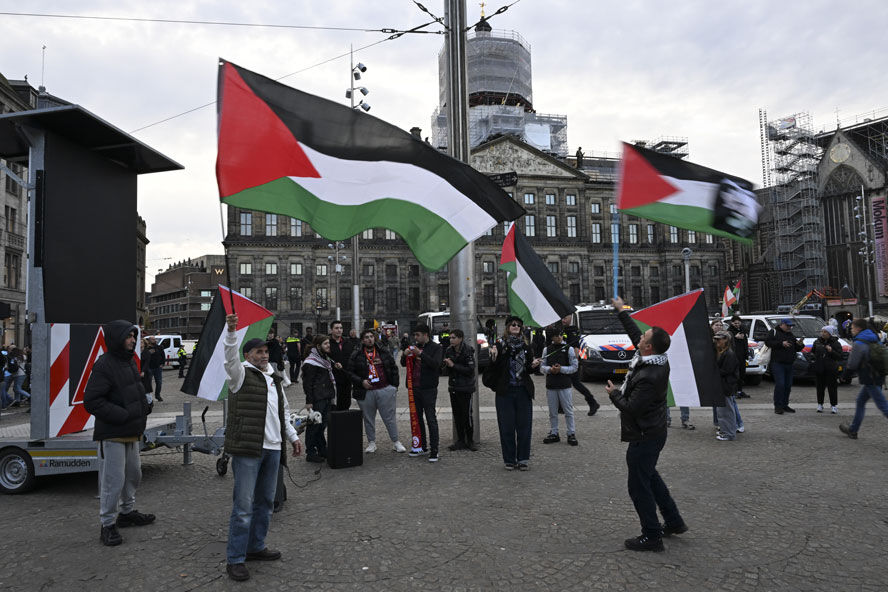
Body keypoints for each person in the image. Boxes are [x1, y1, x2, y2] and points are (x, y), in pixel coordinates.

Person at [222, 314, 302, 582]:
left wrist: (292, 437)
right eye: (259, 351)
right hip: (248, 447)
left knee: (266, 502)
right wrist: (232, 333)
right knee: (243, 506)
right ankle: (235, 559)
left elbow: (283, 411)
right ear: (248, 354)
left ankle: (255, 546)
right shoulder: (240, 374)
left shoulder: (275, 379)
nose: (265, 355)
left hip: (273, 447)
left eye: (266, 351)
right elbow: (230, 359)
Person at [605, 297, 686, 552]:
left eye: (643, 338)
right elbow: (634, 335)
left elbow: (632, 408)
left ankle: (652, 535)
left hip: (645, 435)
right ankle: (673, 520)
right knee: (650, 476)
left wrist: (614, 394)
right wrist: (621, 312)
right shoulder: (655, 358)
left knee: (638, 486)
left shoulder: (650, 375)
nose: (639, 339)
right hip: (653, 430)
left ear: (649, 347)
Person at [83, 321, 155, 547]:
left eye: (134, 336)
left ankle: (126, 513)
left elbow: (135, 390)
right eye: (129, 336)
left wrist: (144, 407)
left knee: (133, 475)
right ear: (116, 339)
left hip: (132, 432)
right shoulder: (104, 365)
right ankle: (107, 524)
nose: (133, 340)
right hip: (113, 434)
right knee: (113, 481)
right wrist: (122, 415)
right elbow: (92, 401)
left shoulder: (129, 362)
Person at [484, 315, 540, 470]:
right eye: (513, 324)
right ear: (508, 327)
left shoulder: (526, 347)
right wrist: (494, 358)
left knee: (524, 427)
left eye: (518, 325)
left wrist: (533, 365)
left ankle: (522, 459)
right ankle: (509, 459)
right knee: (506, 427)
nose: (516, 326)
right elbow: (492, 370)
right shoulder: (499, 345)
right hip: (505, 392)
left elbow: (528, 368)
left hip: (523, 391)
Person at [347, 329, 407, 454]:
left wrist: (394, 386)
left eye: (371, 336)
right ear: (363, 340)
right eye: (366, 337)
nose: (369, 339)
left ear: (374, 338)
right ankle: (372, 442)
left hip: (384, 388)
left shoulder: (383, 351)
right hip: (366, 391)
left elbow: (393, 368)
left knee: (389, 417)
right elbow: (350, 372)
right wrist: (361, 381)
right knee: (368, 418)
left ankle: (396, 442)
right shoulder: (356, 354)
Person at [400, 323, 443, 462]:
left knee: (431, 419)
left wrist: (421, 354)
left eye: (418, 335)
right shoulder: (414, 347)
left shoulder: (436, 348)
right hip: (414, 388)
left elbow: (436, 365)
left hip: (428, 388)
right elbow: (402, 363)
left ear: (426, 335)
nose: (416, 338)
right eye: (415, 335)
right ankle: (421, 446)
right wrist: (404, 354)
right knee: (417, 419)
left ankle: (434, 450)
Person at [839, 318, 888, 439]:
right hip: (878, 375)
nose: (851, 330)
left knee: (883, 406)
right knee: (860, 401)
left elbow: (852, 364)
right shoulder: (874, 337)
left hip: (869, 377)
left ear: (858, 328)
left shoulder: (859, 343)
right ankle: (853, 429)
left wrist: (844, 376)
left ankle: (853, 429)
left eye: (852, 328)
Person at [554, 315, 601, 416]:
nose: (563, 320)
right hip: (563, 362)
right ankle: (561, 406)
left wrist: (572, 363)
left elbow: (576, 351)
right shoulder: (563, 330)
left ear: (571, 318)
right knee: (563, 384)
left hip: (570, 363)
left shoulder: (573, 331)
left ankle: (592, 402)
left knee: (576, 384)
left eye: (565, 318)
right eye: (562, 318)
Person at [302, 335, 336, 463]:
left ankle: (322, 449)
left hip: (326, 396)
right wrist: (309, 401)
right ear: (318, 346)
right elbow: (307, 384)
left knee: (322, 425)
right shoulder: (311, 362)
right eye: (326, 343)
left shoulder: (325, 359)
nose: (328, 345)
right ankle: (310, 452)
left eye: (328, 343)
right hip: (318, 398)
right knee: (314, 426)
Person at [541, 331, 579, 446]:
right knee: (553, 412)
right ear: (552, 337)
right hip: (551, 384)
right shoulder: (546, 350)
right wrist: (550, 370)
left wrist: (561, 369)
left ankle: (571, 433)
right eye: (556, 335)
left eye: (560, 334)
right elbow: (541, 367)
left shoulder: (569, 349)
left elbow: (574, 367)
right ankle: (554, 432)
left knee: (568, 411)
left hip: (564, 384)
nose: (559, 337)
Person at [443, 329, 477, 451]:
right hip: (453, 387)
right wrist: (445, 365)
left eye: (453, 337)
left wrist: (453, 365)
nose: (451, 340)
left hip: (466, 387)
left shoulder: (467, 350)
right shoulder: (448, 350)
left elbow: (470, 370)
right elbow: (446, 371)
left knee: (467, 415)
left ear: (460, 338)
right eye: (450, 337)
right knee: (457, 415)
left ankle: (470, 440)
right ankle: (461, 440)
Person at [765, 318, 803, 414]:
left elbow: (797, 348)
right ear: (782, 324)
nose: (789, 327)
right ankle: (778, 406)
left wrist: (800, 344)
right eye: (787, 325)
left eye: (790, 326)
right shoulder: (773, 332)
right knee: (780, 384)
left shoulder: (790, 335)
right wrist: (781, 343)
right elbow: (768, 342)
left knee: (788, 385)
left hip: (789, 364)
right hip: (777, 363)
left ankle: (785, 405)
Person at [713, 331, 739, 441]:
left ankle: (729, 433)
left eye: (719, 339)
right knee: (723, 410)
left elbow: (726, 371)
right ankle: (726, 430)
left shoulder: (729, 354)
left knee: (726, 411)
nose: (716, 341)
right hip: (724, 385)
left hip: (726, 385)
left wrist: (713, 371)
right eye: (716, 339)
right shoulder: (723, 352)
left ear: (726, 340)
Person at [813, 325, 842, 414]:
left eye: (825, 332)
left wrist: (831, 351)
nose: (823, 333)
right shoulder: (817, 342)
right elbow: (813, 352)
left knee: (832, 387)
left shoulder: (836, 343)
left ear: (829, 333)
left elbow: (839, 356)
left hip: (831, 368)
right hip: (820, 367)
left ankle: (833, 406)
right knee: (820, 387)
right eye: (822, 331)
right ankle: (820, 404)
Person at [327, 321, 354, 410]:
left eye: (341, 328)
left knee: (346, 401)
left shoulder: (348, 342)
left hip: (346, 376)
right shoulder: (327, 343)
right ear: (331, 330)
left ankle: (343, 420)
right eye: (336, 328)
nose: (339, 330)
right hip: (333, 378)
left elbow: (352, 358)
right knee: (334, 402)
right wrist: (333, 365)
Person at [727, 315, 749, 398]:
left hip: (742, 355)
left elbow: (745, 342)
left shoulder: (743, 329)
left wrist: (746, 354)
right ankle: (735, 391)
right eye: (735, 323)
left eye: (738, 323)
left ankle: (740, 391)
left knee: (742, 374)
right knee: (735, 374)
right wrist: (735, 338)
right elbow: (728, 342)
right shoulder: (730, 331)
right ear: (732, 323)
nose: (737, 324)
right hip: (734, 356)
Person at [144, 336, 165, 402]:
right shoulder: (146, 348)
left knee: (159, 382)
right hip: (149, 368)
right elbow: (144, 357)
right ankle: (148, 397)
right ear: (149, 340)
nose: (154, 340)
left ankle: (157, 395)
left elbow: (163, 355)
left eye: (154, 339)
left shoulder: (159, 347)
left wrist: (162, 363)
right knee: (148, 383)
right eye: (152, 339)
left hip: (158, 367)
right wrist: (148, 352)